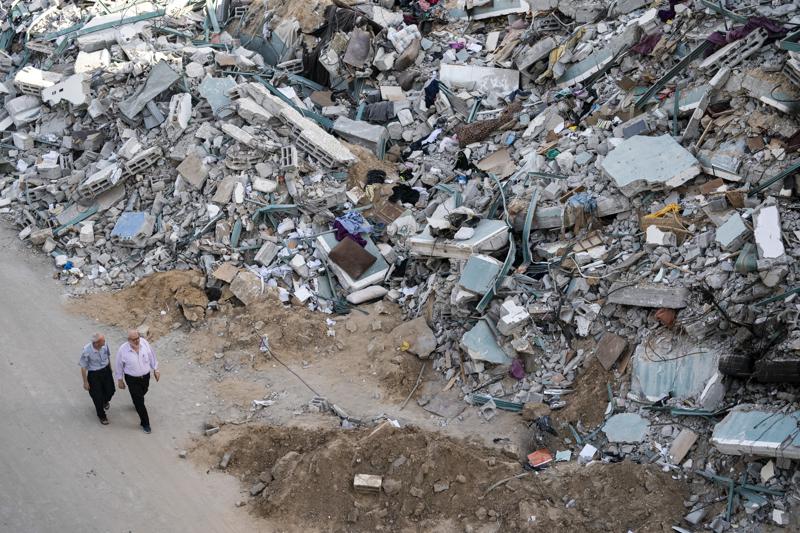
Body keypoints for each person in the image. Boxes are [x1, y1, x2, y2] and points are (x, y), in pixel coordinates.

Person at [115, 329, 160, 434]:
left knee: (143, 392)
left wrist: (156, 369)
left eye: (138, 338)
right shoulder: (123, 350)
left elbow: (152, 356)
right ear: (129, 340)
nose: (136, 341)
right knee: (140, 402)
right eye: (134, 339)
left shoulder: (144, 343)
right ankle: (145, 424)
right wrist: (120, 379)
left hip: (145, 377)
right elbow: (118, 365)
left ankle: (136, 401)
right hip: (132, 379)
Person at [79, 333, 115, 425]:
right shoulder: (87, 350)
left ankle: (104, 401)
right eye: (103, 340)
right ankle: (102, 416)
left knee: (111, 391)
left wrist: (110, 368)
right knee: (97, 396)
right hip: (94, 374)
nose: (105, 341)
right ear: (97, 343)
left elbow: (108, 356)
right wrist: (85, 382)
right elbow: (83, 367)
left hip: (106, 371)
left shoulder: (105, 345)